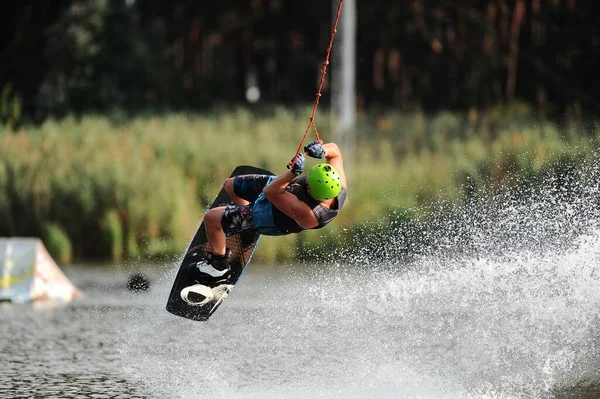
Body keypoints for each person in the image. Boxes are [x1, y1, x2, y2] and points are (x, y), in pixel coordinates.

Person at [190, 140, 347, 282]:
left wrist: (293, 173)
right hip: (283, 190)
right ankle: (243, 224)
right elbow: (335, 150)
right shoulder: (336, 181)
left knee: (211, 218)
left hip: (271, 216)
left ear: (313, 192)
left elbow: (270, 193)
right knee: (230, 185)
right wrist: (321, 150)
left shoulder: (310, 214)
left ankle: (218, 267)